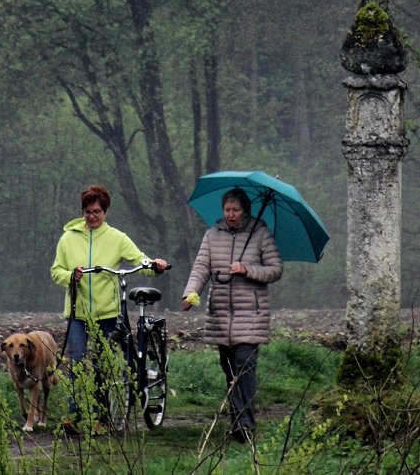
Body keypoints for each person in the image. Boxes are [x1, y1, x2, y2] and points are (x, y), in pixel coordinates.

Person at [51, 184, 167, 431]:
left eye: (97, 212)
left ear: (105, 212)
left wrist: (154, 265)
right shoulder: (68, 238)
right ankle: (76, 415)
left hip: (108, 313)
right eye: (88, 212)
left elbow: (139, 260)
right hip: (78, 313)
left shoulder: (117, 238)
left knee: (104, 365)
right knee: (77, 360)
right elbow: (56, 271)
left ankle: (102, 419)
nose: (92, 217)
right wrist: (71, 276)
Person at [182, 187, 283, 443]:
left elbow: (275, 270)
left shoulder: (260, 234)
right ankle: (238, 420)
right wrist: (190, 293)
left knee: (244, 367)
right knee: (229, 370)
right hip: (220, 315)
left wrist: (247, 269)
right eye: (227, 210)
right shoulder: (212, 235)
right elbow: (201, 267)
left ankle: (244, 427)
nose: (231, 214)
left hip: (251, 314)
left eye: (235, 210)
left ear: (245, 210)